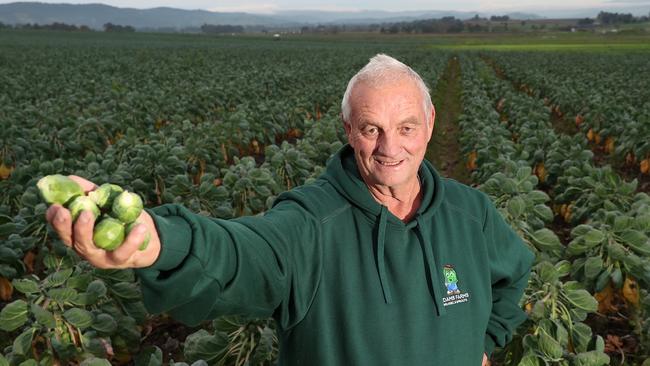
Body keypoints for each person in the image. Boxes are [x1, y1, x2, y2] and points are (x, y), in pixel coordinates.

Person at [47, 54, 534, 365]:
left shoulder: (471, 213)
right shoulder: (310, 225)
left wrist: (484, 345)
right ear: (348, 129)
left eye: (406, 127)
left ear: (429, 122)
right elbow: (242, 252)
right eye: (372, 129)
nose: (390, 148)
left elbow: (513, 275)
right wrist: (161, 243)